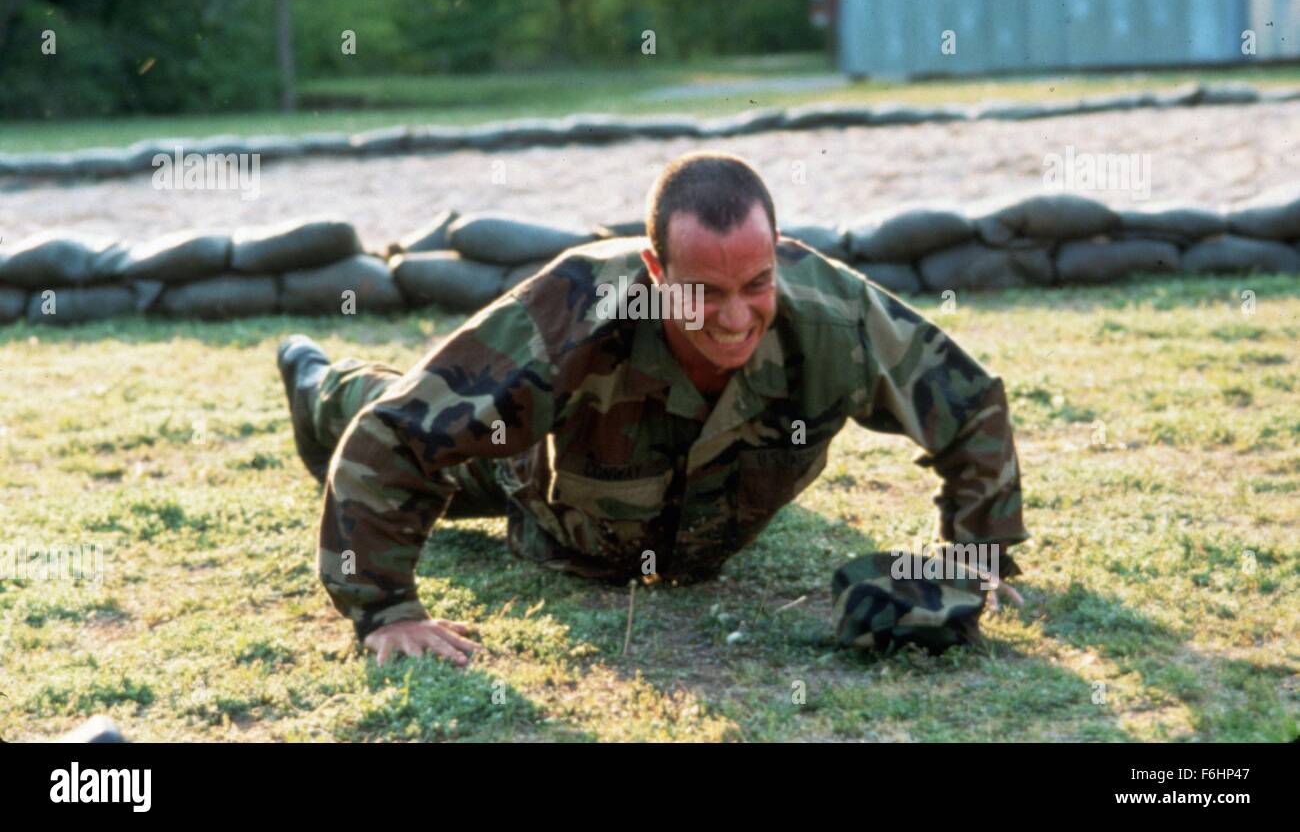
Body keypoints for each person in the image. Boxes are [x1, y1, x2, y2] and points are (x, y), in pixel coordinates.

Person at [277, 151, 1028, 667]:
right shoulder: (574, 312)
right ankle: (316, 378)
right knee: (392, 405)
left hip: (706, 511)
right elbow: (398, 437)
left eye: (756, 284)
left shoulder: (834, 315)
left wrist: (979, 559)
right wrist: (387, 612)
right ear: (654, 271)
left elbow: (969, 404)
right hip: (540, 486)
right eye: (703, 292)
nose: (735, 318)